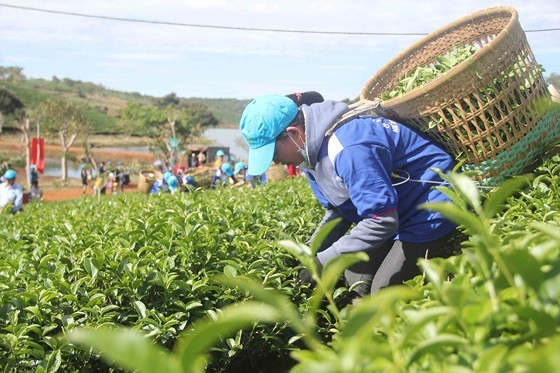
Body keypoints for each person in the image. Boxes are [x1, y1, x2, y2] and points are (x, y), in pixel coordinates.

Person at [239, 94, 457, 298]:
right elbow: (339, 211)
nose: (275, 162)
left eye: (274, 153)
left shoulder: (348, 147)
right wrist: (307, 254)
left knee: (384, 292)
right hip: (396, 206)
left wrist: (323, 261)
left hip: (431, 204)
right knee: (355, 278)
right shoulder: (308, 154)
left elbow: (382, 220)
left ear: (294, 133)